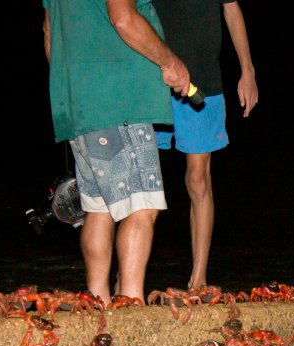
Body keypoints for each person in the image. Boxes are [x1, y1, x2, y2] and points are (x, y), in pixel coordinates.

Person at [43, 0, 191, 306]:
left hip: (78, 105)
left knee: (98, 209)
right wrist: (169, 62)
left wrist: (81, 84)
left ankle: (100, 308)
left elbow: (49, 33)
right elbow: (123, 18)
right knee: (141, 208)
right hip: (118, 102)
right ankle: (131, 308)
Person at [154, 0, 259, 291]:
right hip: (154, 79)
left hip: (203, 82)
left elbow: (232, 9)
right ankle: (125, 279)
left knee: (198, 180)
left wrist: (247, 70)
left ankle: (198, 280)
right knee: (141, 178)